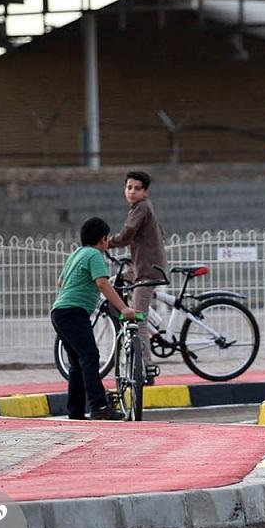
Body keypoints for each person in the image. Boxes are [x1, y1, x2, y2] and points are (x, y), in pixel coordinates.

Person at [51, 217, 136, 421]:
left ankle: (76, 411)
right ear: (103, 239)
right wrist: (123, 308)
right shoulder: (95, 255)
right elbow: (103, 284)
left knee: (77, 363)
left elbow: (60, 282)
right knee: (90, 357)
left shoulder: (77, 254)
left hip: (59, 311)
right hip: (73, 312)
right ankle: (99, 406)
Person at [108, 170, 167, 383]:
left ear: (146, 192)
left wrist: (106, 242)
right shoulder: (142, 208)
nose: (132, 192)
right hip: (142, 266)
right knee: (120, 282)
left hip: (147, 270)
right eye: (129, 187)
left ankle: (148, 367)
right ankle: (143, 316)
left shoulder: (140, 208)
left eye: (137, 188)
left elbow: (127, 234)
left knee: (138, 319)